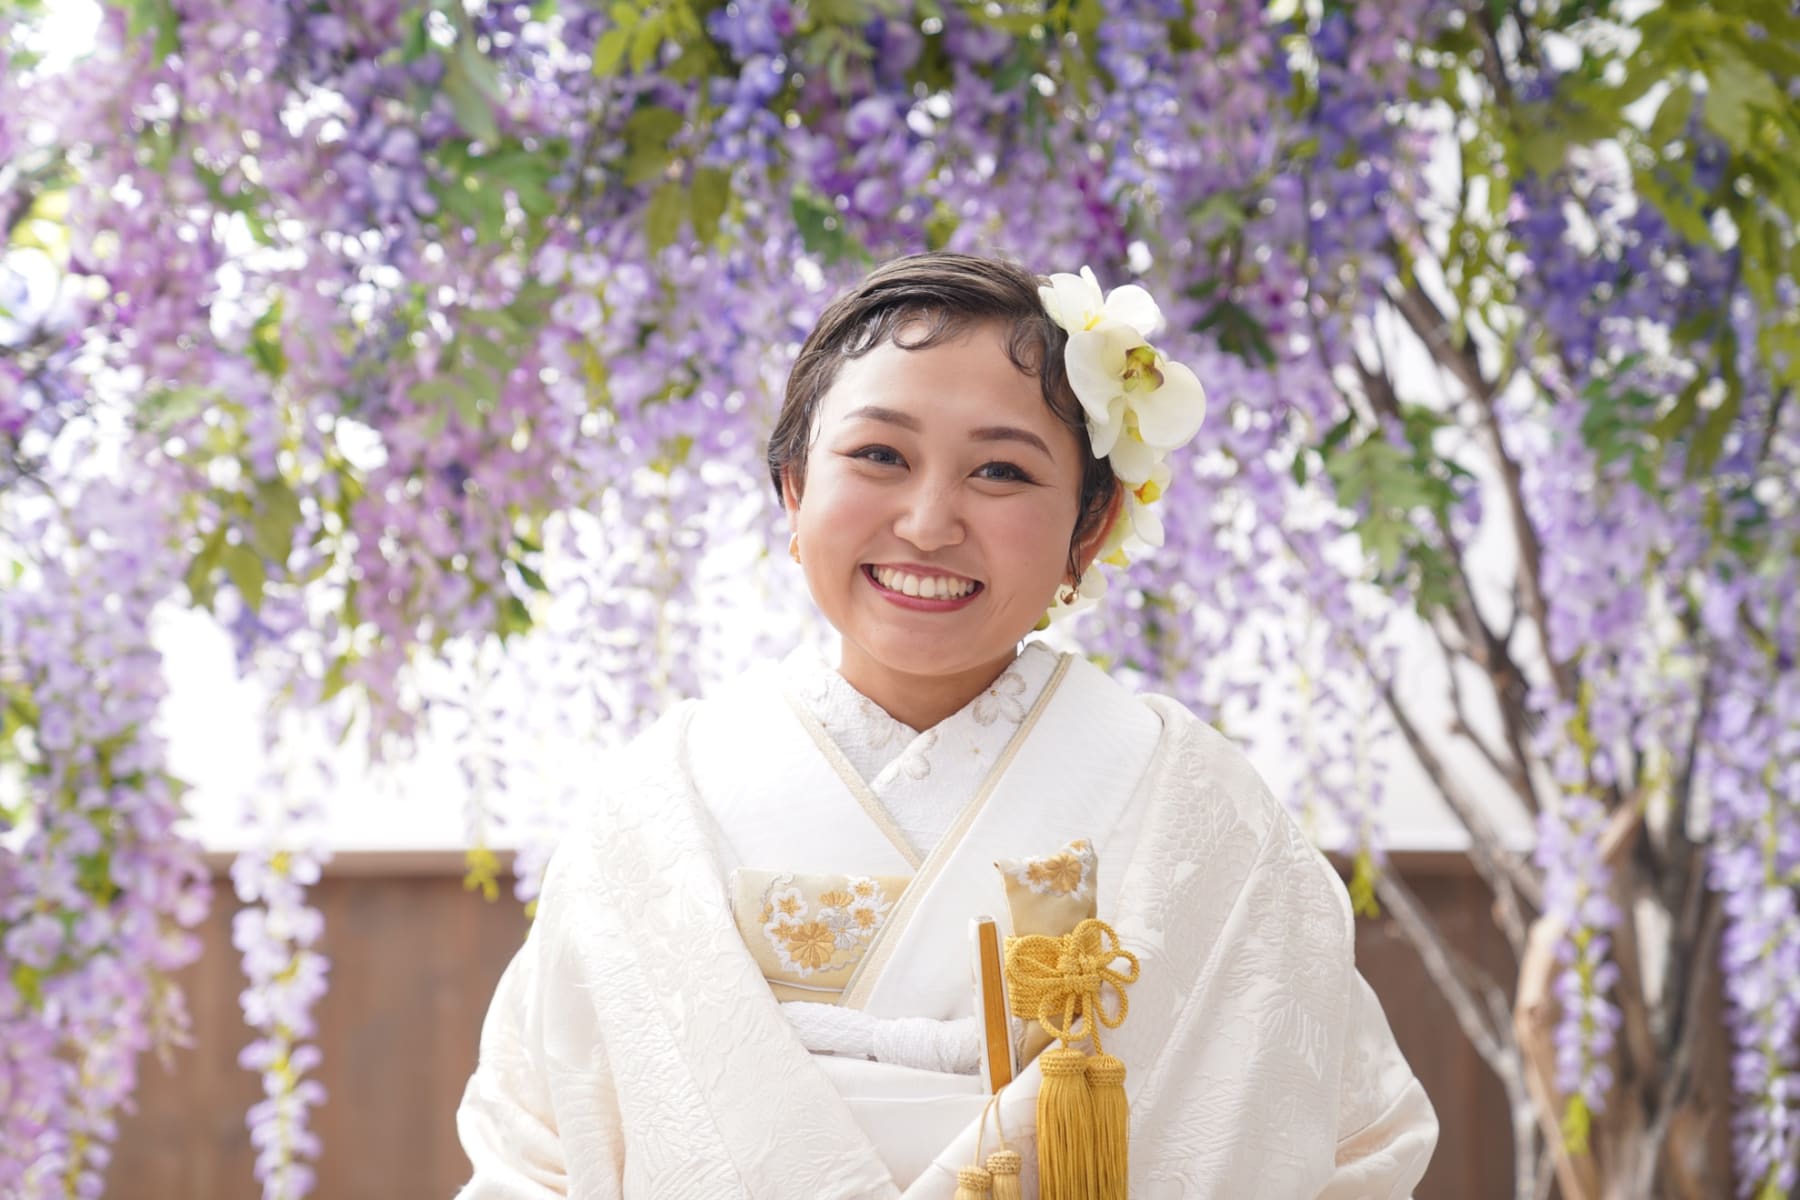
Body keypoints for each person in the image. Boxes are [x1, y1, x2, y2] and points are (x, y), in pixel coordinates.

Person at [454, 253, 1438, 1198]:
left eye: (1001, 471)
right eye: (879, 455)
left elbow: (1353, 1148)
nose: (929, 523)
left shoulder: (1200, 809)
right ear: (794, 489)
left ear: (1089, 527)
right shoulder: (656, 807)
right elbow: (534, 1152)